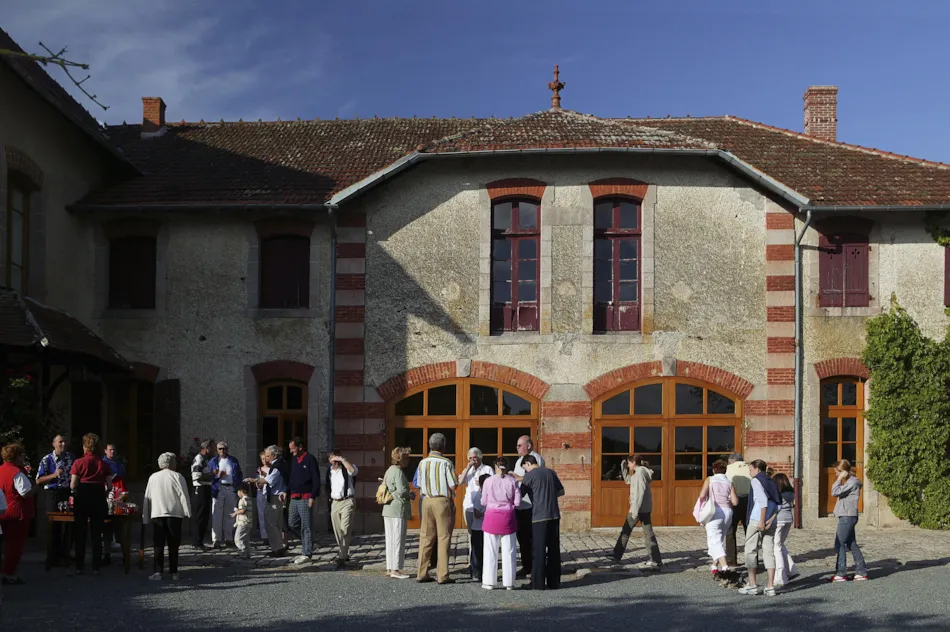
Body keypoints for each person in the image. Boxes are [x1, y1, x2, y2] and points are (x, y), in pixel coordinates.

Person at [415, 432, 456, 584]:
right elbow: (453, 485)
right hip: (441, 500)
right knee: (443, 537)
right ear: (443, 446)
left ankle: (421, 572)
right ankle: (442, 575)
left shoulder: (422, 463)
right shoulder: (446, 462)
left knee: (425, 537)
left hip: (426, 500)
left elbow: (417, 483)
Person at [143, 451, 192, 581]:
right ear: (171, 463)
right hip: (174, 513)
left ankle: (158, 572)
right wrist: (187, 511)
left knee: (158, 544)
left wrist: (146, 514)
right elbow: (183, 495)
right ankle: (174, 571)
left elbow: (147, 496)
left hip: (157, 513)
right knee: (173, 544)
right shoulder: (177, 476)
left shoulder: (153, 477)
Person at [69, 433, 113, 576]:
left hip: (82, 497)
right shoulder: (103, 463)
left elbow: (73, 484)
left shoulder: (78, 462)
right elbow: (110, 486)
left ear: (85, 447)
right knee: (97, 534)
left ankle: (79, 566)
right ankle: (96, 566)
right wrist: (105, 493)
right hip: (98, 498)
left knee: (80, 533)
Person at [611, 455, 663, 569]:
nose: (629, 465)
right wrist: (623, 468)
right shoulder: (640, 473)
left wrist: (635, 510)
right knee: (648, 533)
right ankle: (656, 559)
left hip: (638, 508)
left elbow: (640, 493)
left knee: (626, 531)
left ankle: (616, 555)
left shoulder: (639, 474)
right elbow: (628, 481)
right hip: (644, 508)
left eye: (629, 463)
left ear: (634, 462)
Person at [520, 454, 564, 590]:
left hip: (539, 517)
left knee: (538, 550)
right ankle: (554, 582)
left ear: (528, 463)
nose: (525, 471)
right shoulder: (551, 472)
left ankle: (538, 583)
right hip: (554, 515)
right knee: (553, 549)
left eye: (524, 468)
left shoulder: (530, 475)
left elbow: (520, 494)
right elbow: (561, 491)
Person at [739, 459, 781, 596]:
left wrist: (762, 520)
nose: (750, 473)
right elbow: (779, 504)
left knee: (750, 550)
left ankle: (752, 585)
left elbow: (762, 502)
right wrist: (771, 519)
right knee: (768, 552)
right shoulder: (771, 481)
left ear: (757, 469)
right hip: (771, 520)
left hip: (757, 519)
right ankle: (770, 586)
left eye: (750, 470)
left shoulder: (756, 481)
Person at [480, 458, 520, 590]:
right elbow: (518, 502)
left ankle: (489, 582)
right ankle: (509, 582)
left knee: (490, 550)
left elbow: (483, 502)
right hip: (508, 516)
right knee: (509, 550)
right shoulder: (512, 481)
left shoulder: (488, 481)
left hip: (491, 516)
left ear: (495, 466)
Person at [35, 434, 75, 566]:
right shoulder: (47, 460)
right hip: (52, 492)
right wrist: (53, 475)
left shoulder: (71, 458)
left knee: (69, 524)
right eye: (60, 442)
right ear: (54, 444)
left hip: (67, 492)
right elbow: (38, 480)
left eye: (64, 442)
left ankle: (65, 553)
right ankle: (52, 556)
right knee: (53, 525)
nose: (63, 444)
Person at [0, 443, 36, 585]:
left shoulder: (2, 469)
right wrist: (36, 486)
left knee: (6, 544)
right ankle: (9, 573)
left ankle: (6, 571)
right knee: (15, 545)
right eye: (21, 455)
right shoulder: (16, 473)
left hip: (3, 511)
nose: (22, 458)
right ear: (15, 457)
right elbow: (25, 492)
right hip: (16, 513)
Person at [458, 447, 494, 582]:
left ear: (479, 457)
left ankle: (482, 562)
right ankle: (472, 562)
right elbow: (460, 481)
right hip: (469, 506)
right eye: (470, 458)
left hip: (483, 506)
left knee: (482, 534)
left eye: (474, 458)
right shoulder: (469, 470)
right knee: (471, 534)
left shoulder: (487, 469)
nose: (472, 460)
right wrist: (468, 467)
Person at [699, 459, 739, 575]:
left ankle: (725, 567)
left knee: (714, 541)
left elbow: (702, 496)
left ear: (714, 469)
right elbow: (735, 502)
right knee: (719, 539)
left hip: (714, 511)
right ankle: (714, 565)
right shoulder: (729, 482)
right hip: (727, 512)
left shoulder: (710, 479)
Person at [247, 445, 288, 557]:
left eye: (268, 456)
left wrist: (253, 479)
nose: (266, 458)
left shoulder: (277, 466)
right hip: (276, 496)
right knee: (276, 524)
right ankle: (279, 547)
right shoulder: (277, 464)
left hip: (275, 497)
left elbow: (268, 480)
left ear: (274, 456)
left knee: (270, 523)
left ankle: (277, 548)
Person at [831, 460, 868, 582]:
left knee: (840, 543)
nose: (836, 475)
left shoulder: (852, 482)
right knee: (851, 543)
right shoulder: (850, 482)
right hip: (847, 515)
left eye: (837, 472)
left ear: (843, 471)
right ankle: (861, 571)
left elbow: (834, 492)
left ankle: (841, 573)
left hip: (847, 516)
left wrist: (838, 480)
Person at [285, 437, 320, 565]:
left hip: (306, 497)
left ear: (300, 447)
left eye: (293, 448)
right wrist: (286, 491)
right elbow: (292, 477)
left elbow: (316, 479)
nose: (291, 451)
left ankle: (307, 553)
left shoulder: (310, 459)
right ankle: (310, 542)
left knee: (306, 526)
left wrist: (313, 496)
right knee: (292, 523)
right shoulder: (293, 459)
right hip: (294, 497)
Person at [512, 435, 543, 578]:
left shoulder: (536, 459)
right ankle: (526, 566)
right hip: (520, 504)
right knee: (522, 538)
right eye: (517, 445)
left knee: (532, 538)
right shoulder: (519, 461)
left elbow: (535, 478)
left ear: (529, 446)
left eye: (520, 445)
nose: (517, 448)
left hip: (531, 505)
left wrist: (518, 478)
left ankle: (535, 566)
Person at [382, 447, 412, 579]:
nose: (409, 460)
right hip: (397, 508)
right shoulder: (398, 472)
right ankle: (396, 569)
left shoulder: (389, 470)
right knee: (398, 538)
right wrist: (409, 494)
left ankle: (390, 567)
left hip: (388, 508)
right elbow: (401, 491)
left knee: (390, 539)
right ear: (402, 459)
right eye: (407, 458)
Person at [327, 449, 358, 568]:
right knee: (337, 530)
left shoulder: (347, 468)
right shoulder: (330, 471)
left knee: (345, 529)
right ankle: (345, 552)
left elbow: (353, 471)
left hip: (347, 501)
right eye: (331, 458)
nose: (333, 461)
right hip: (335, 502)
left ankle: (342, 556)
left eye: (335, 458)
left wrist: (342, 459)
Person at [209, 441, 242, 549]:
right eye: (220, 449)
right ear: (217, 450)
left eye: (224, 449)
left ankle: (229, 538)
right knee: (217, 514)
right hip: (219, 488)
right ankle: (216, 539)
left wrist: (238, 488)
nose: (222, 451)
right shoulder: (213, 461)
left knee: (230, 514)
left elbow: (239, 474)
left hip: (231, 487)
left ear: (227, 449)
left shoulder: (233, 460)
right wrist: (217, 476)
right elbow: (209, 476)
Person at [101, 443, 126, 565]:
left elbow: (124, 489)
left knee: (119, 531)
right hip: (104, 501)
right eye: (110, 450)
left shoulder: (118, 464)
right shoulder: (102, 463)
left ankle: (124, 555)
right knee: (105, 531)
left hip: (117, 497)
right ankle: (106, 555)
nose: (112, 452)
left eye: (114, 450)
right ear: (105, 451)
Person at [772, 472, 798, 586]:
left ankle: (780, 576)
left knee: (776, 547)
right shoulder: (790, 492)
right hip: (788, 519)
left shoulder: (778, 493)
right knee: (781, 545)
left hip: (779, 519)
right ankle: (791, 570)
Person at [725, 452, 751, 566]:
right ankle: (751, 560)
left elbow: (726, 484)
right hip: (748, 501)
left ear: (731, 461)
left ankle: (731, 560)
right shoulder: (749, 467)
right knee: (749, 531)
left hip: (734, 501)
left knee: (730, 531)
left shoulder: (729, 468)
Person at [189, 439, 214, 549]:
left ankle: (200, 541)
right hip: (200, 489)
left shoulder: (205, 459)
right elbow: (196, 476)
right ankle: (197, 542)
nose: (213, 450)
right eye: (212, 448)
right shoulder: (199, 459)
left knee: (204, 516)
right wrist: (212, 475)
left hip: (206, 488)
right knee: (200, 516)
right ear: (206, 448)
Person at [232, 484, 253, 560]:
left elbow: (243, 510)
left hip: (242, 522)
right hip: (248, 522)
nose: (237, 493)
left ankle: (242, 552)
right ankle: (247, 553)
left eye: (238, 491)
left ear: (241, 491)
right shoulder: (249, 499)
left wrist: (236, 512)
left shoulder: (242, 500)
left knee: (238, 538)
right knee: (246, 539)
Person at [255, 451, 269, 542]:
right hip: (260, 492)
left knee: (269, 514)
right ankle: (264, 536)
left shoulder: (272, 469)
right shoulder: (259, 469)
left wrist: (265, 476)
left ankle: (271, 534)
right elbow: (256, 481)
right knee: (261, 514)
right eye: (262, 459)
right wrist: (257, 484)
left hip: (269, 493)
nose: (264, 461)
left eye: (265, 458)